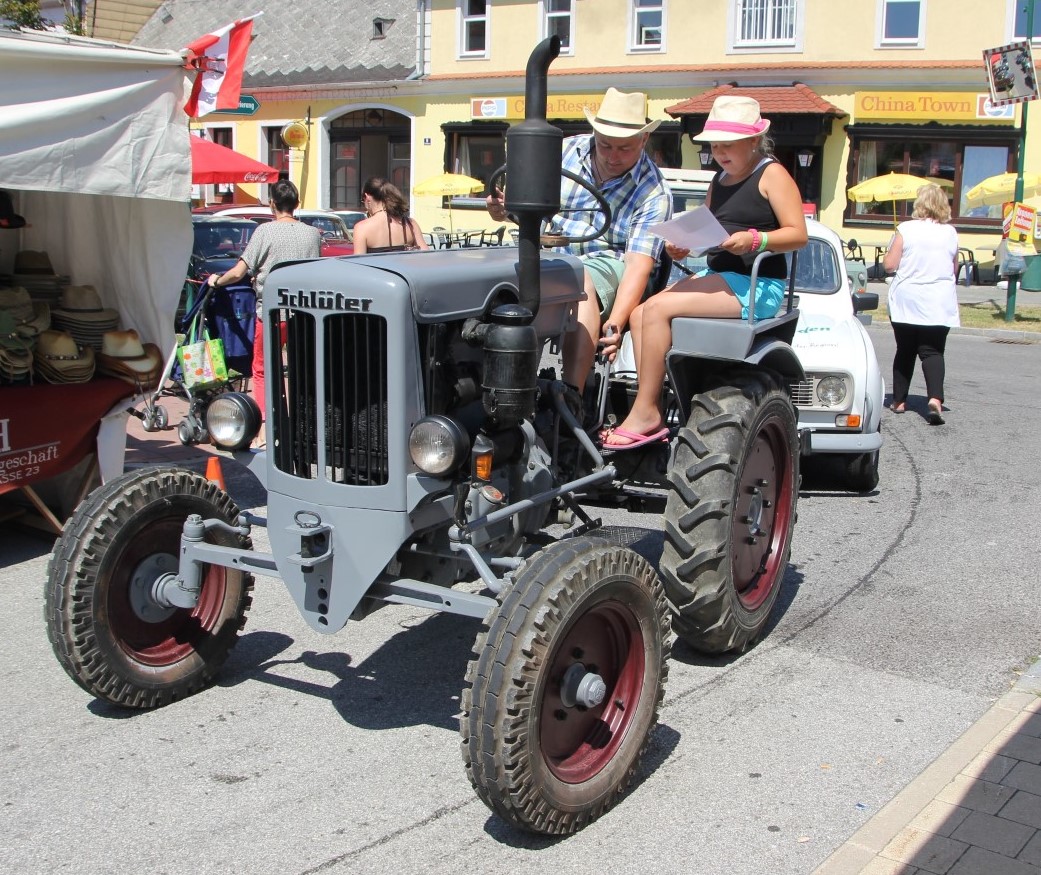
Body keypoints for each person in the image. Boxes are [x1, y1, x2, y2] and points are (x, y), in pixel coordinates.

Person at [603, 95, 807, 450]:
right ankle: (652, 400)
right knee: (639, 314)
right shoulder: (720, 179)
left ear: (754, 141)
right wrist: (683, 245)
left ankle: (646, 411)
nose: (720, 153)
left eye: (728, 145)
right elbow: (709, 231)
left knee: (655, 310)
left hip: (758, 284)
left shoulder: (772, 174)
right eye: (715, 146)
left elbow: (798, 234)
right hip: (725, 276)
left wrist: (755, 240)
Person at [486, 87, 673, 395]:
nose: (613, 156)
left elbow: (639, 264)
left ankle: (572, 395)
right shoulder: (561, 152)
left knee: (576, 275)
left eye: (624, 148)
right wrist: (502, 210)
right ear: (594, 133)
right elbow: (520, 211)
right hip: (545, 253)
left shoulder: (654, 191)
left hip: (608, 262)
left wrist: (615, 323)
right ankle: (501, 390)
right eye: (605, 145)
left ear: (644, 140)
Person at [207, 179, 321, 444]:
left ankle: (265, 427)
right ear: (297, 204)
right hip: (304, 313)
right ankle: (301, 423)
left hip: (271, 312)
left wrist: (217, 281)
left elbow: (239, 271)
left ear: (272, 204)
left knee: (262, 369)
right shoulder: (312, 234)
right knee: (299, 369)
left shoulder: (264, 232)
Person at [882, 183, 959, 425]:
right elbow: (953, 269)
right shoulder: (950, 233)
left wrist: (888, 252)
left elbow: (890, 265)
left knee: (905, 350)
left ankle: (899, 401)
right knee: (932, 351)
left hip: (908, 299)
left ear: (920, 204)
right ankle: (935, 399)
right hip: (938, 300)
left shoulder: (905, 228)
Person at [352, 177, 429, 254]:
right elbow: (425, 255)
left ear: (367, 197)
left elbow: (358, 263)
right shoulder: (410, 224)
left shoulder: (361, 228)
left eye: (363, 200)